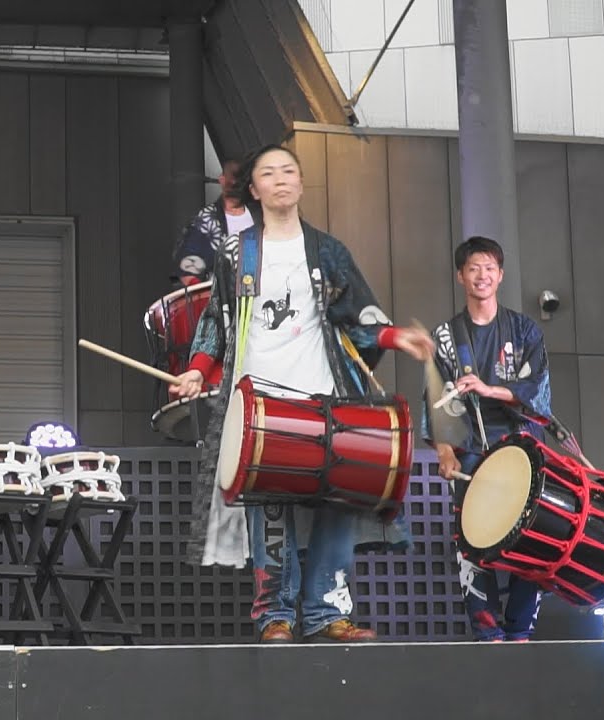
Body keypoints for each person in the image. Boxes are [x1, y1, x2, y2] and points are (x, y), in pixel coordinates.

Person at [172, 144, 434, 644]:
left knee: (341, 497)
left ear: (300, 181)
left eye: (289, 170)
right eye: (268, 173)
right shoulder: (236, 253)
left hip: (323, 396)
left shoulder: (328, 250)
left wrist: (393, 336)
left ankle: (326, 613)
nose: (280, 180)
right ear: (254, 189)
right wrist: (197, 371)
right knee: (269, 506)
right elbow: (215, 323)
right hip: (259, 404)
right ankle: (276, 615)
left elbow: (357, 312)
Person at [424, 236, 551, 642]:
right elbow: (437, 404)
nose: (482, 275)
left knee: (532, 536)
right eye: (473, 268)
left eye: (489, 268)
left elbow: (538, 391)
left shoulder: (523, 329)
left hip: (523, 449)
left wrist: (488, 388)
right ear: (461, 275)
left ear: (500, 275)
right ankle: (487, 632)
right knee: (474, 544)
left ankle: (520, 631)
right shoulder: (445, 335)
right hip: (474, 452)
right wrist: (445, 452)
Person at [171, 159, 259, 286]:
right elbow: (187, 266)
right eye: (233, 180)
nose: (236, 184)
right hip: (221, 298)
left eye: (240, 181)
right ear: (222, 180)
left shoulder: (260, 214)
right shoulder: (207, 218)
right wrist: (202, 295)